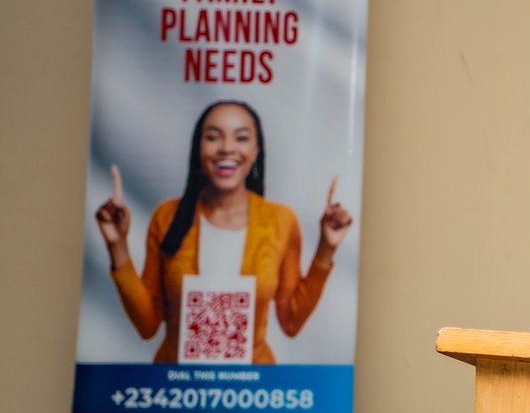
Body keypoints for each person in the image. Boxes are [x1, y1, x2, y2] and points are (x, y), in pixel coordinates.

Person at [94, 100, 353, 363]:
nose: (227, 148)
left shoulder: (281, 221)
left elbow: (291, 322)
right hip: (177, 388)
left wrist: (326, 249)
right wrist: (117, 245)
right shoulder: (167, 216)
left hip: (253, 389)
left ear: (255, 150)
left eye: (241, 138)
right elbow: (147, 325)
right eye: (213, 137)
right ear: (198, 149)